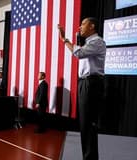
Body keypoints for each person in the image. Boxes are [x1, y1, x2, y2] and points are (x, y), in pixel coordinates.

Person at [58, 17, 106, 160]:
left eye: (83, 24)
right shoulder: (88, 43)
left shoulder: (97, 41)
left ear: (92, 26)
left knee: (89, 124)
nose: (80, 27)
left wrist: (64, 40)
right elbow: (79, 51)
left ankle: (90, 157)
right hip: (85, 83)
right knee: (84, 123)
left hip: (91, 84)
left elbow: (78, 53)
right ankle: (88, 157)